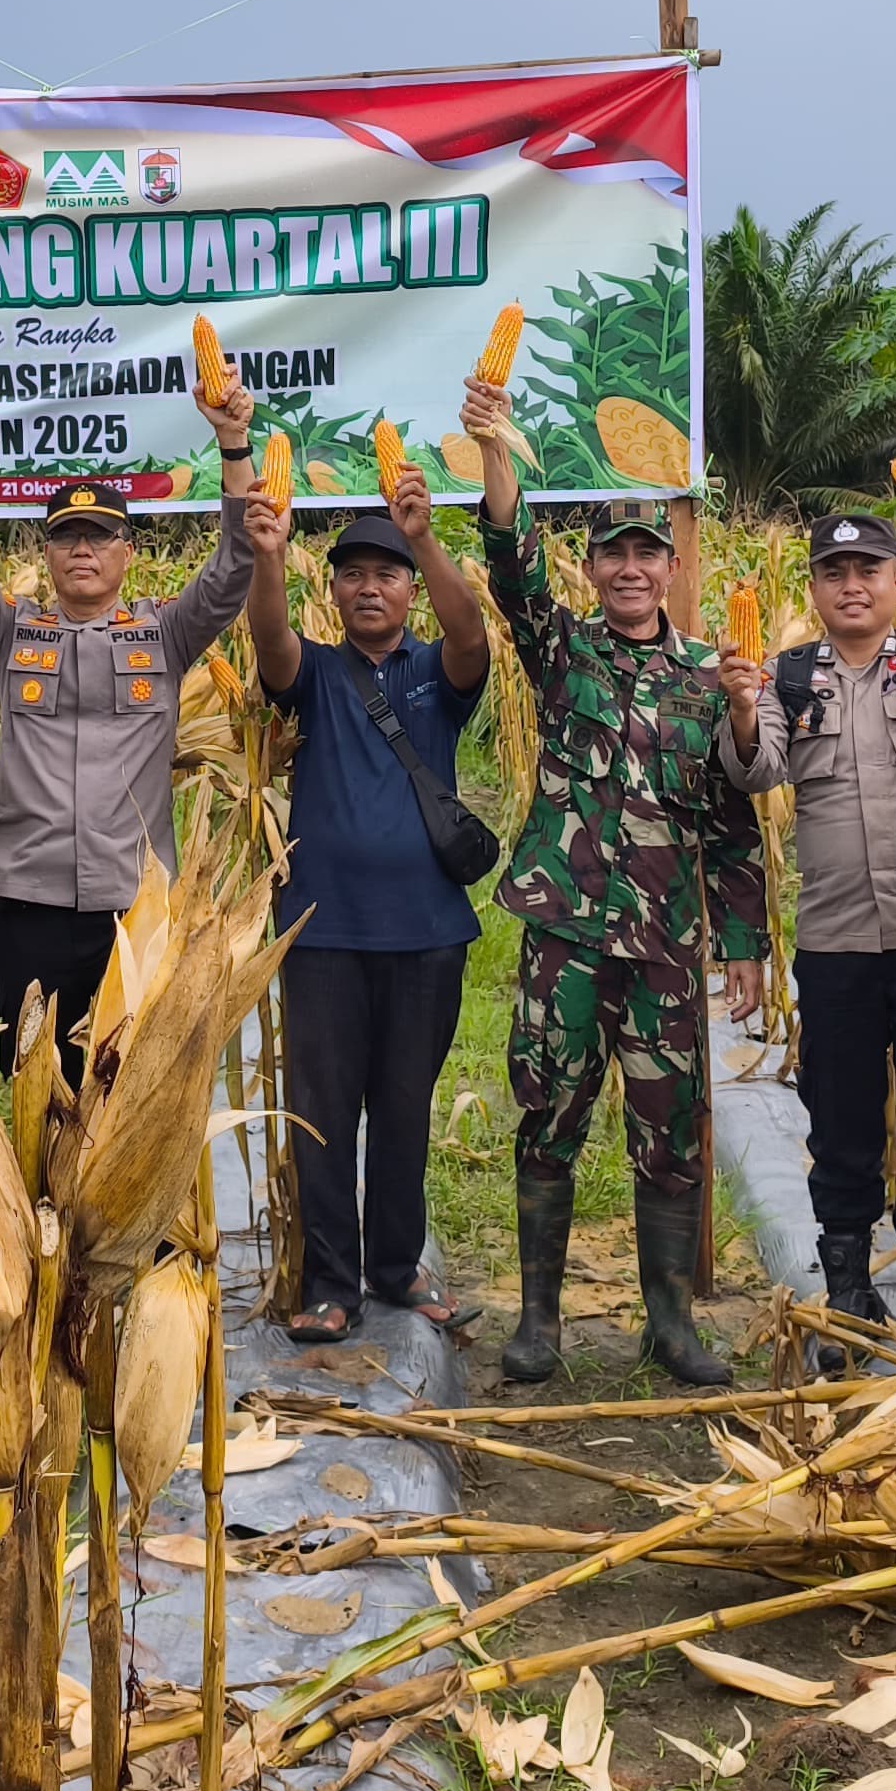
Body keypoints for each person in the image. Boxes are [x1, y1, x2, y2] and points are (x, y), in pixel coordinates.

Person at [466, 374, 771, 1392]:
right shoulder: (563, 655)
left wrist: (744, 944)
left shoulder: (709, 677)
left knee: (669, 1130)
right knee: (549, 1114)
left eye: (647, 552)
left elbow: (732, 821)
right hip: (566, 935)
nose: (631, 567)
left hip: (664, 950)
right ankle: (539, 1321)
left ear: (671, 565)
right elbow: (508, 567)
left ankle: (670, 1323)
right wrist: (495, 449)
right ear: (592, 567)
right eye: (614, 552)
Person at [0, 355, 264, 1092]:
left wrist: (234, 444)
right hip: (28, 901)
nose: (83, 549)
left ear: (128, 554)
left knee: (121, 1093)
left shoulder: (164, 636)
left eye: (101, 535)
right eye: (68, 535)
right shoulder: (11, 633)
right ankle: (36, 1209)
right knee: (38, 1094)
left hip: (131, 909)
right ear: (46, 552)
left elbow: (236, 568)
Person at [722, 498, 896, 1355]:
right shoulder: (787, 675)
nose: (852, 586)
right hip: (838, 937)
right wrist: (740, 708)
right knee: (839, 1113)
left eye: (868, 571)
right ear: (811, 585)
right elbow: (757, 770)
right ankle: (847, 1282)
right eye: (834, 573)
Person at [244, 467, 495, 1345]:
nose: (368, 587)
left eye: (386, 573)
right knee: (323, 1111)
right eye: (352, 573)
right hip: (322, 934)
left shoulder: (434, 672)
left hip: (427, 934)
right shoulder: (315, 673)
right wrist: (268, 559)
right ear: (335, 589)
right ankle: (330, 1281)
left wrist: (423, 538)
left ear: (409, 588)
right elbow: (270, 642)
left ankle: (396, 1266)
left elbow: (473, 640)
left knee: (402, 1108)